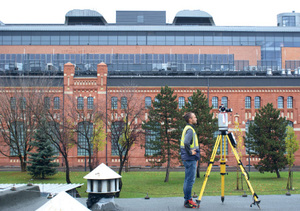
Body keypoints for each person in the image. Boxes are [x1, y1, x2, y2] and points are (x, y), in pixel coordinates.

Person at [180, 112, 200, 208]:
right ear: (190, 120)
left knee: (187, 180)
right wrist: (190, 152)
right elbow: (186, 142)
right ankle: (188, 200)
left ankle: (187, 199)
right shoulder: (190, 130)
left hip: (188, 159)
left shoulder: (187, 128)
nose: (196, 118)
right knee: (190, 180)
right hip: (190, 158)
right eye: (194, 117)